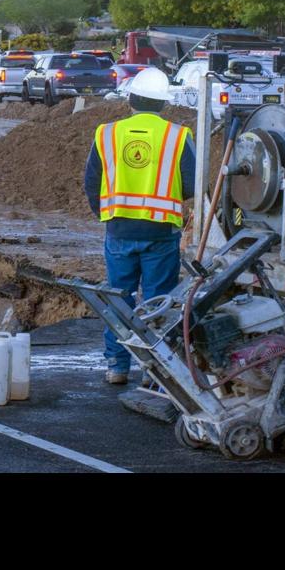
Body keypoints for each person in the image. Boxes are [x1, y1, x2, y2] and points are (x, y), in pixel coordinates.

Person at [83, 67, 195, 384]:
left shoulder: (106, 133)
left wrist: (106, 214)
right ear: (163, 104)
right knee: (158, 303)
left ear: (130, 100)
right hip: (161, 231)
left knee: (120, 300)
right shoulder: (177, 135)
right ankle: (155, 371)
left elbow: (92, 181)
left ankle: (117, 367)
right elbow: (192, 183)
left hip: (119, 229)